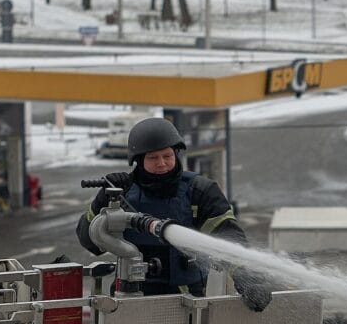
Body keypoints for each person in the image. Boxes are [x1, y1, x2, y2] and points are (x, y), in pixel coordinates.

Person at [76, 117, 250, 297]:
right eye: (153, 158)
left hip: (187, 300)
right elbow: (90, 242)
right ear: (138, 160)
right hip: (129, 298)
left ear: (176, 154)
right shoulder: (122, 194)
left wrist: (246, 276)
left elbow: (228, 236)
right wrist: (102, 202)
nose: (162, 163)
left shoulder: (200, 191)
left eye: (167, 156)